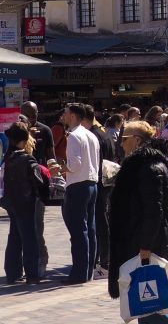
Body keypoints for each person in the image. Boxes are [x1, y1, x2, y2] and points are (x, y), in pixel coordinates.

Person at [108, 121, 168, 324]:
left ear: (137, 140)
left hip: (149, 243)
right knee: (148, 307)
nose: (121, 144)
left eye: (124, 139)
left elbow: (154, 211)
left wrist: (145, 246)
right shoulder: (146, 165)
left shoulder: (147, 167)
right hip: (145, 240)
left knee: (148, 308)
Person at [56, 102, 100, 285]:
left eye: (66, 113)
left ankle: (79, 272)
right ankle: (88, 270)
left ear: (73, 115)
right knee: (90, 229)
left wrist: (60, 167)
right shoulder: (91, 135)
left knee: (78, 230)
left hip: (78, 185)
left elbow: (75, 165)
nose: (63, 116)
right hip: (92, 184)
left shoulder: (74, 136)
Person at [2, 122, 49, 285]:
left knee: (14, 237)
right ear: (23, 140)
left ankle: (12, 273)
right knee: (30, 239)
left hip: (12, 202)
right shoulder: (28, 159)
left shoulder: (8, 158)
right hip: (26, 202)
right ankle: (32, 275)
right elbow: (39, 182)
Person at [83, 104, 117, 277]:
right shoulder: (104, 132)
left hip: (100, 183)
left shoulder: (94, 135)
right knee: (103, 221)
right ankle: (104, 259)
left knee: (100, 223)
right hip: (107, 182)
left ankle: (103, 261)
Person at [19, 101, 51, 278]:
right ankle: (27, 264)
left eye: (35, 113)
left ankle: (41, 260)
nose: (33, 118)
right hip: (21, 188)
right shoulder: (17, 131)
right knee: (22, 229)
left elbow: (50, 155)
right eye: (29, 114)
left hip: (38, 185)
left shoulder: (44, 130)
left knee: (37, 226)